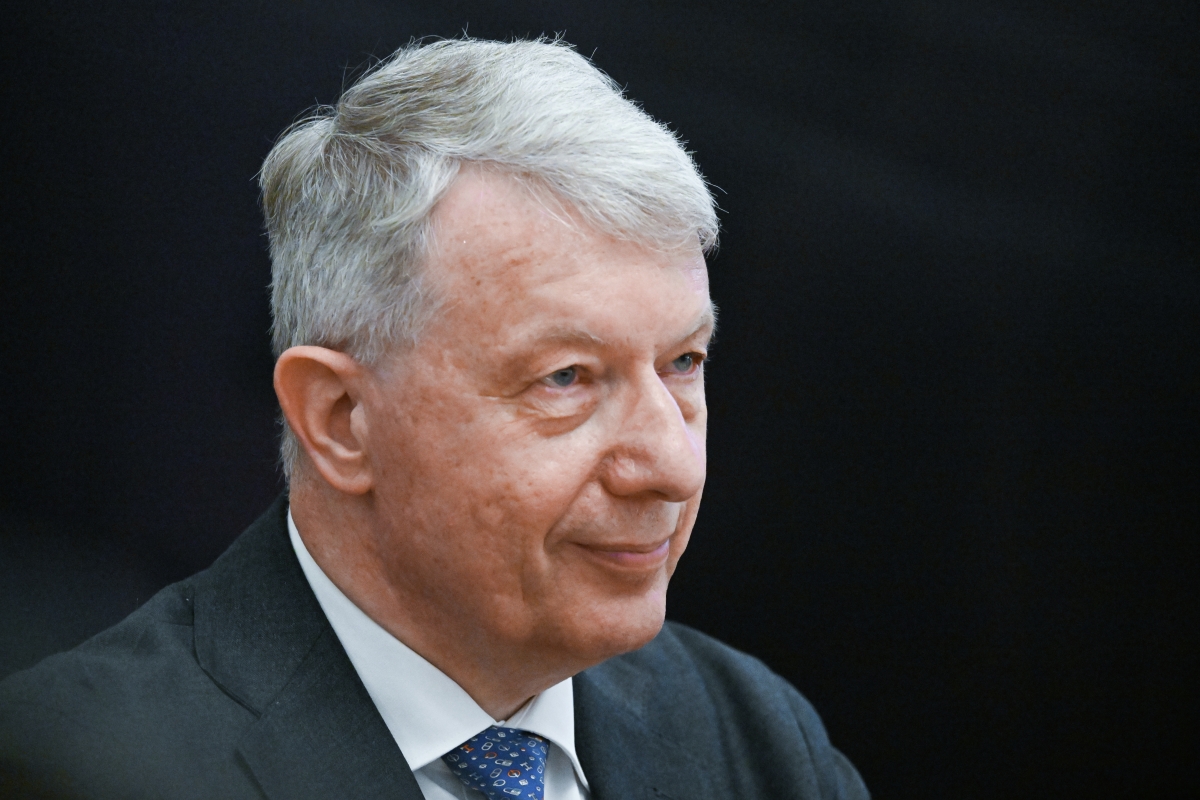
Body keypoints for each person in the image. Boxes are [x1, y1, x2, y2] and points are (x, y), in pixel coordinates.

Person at [0, 38, 868, 799]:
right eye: (566, 378)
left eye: (683, 364)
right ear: (341, 419)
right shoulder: (77, 765)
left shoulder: (754, 742)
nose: (674, 466)